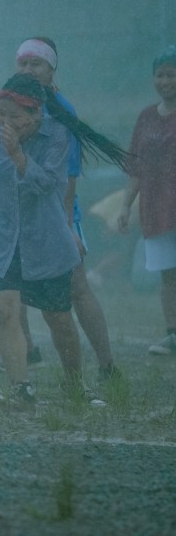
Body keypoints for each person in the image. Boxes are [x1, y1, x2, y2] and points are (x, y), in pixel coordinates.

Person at [0, 73, 114, 406]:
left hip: (44, 239)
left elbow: (47, 184)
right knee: (5, 309)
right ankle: (21, 388)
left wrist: (18, 155)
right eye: (2, 114)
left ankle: (75, 385)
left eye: (15, 116)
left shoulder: (58, 137)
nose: (7, 122)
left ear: (36, 114)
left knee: (58, 317)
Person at [4, 37, 121, 380]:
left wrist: (67, 226)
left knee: (76, 288)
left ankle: (107, 365)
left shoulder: (61, 111)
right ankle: (29, 352)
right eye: (23, 63)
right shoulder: (10, 102)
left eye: (35, 64)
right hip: (20, 215)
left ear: (52, 69)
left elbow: (68, 180)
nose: (28, 69)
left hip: (57, 214)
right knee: (12, 286)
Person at [117, 45, 176, 356]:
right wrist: (126, 206)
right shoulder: (146, 117)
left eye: (171, 74)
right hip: (157, 207)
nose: (165, 81)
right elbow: (136, 167)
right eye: (160, 75)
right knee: (168, 274)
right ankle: (173, 334)